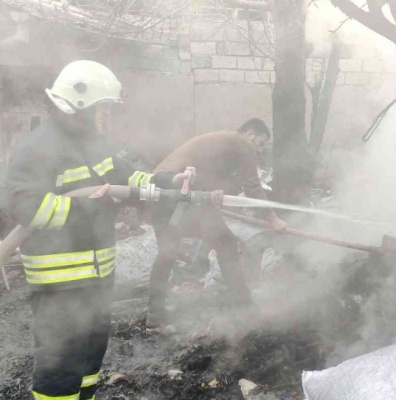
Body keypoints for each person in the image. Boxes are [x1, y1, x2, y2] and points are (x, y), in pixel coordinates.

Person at [4, 60, 205, 400]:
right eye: (102, 108)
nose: (105, 116)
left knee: (88, 364)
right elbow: (26, 207)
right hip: (60, 283)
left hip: (97, 279)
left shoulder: (94, 142)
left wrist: (170, 182)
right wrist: (92, 205)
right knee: (59, 369)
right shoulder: (36, 148)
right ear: (78, 107)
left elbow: (128, 179)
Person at [146, 119, 287, 328]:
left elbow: (214, 186)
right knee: (226, 243)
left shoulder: (220, 146)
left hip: (158, 188)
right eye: (260, 143)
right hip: (179, 189)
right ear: (249, 134)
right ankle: (243, 306)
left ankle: (154, 313)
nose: (259, 150)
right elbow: (252, 187)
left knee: (168, 252)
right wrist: (273, 219)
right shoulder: (242, 143)